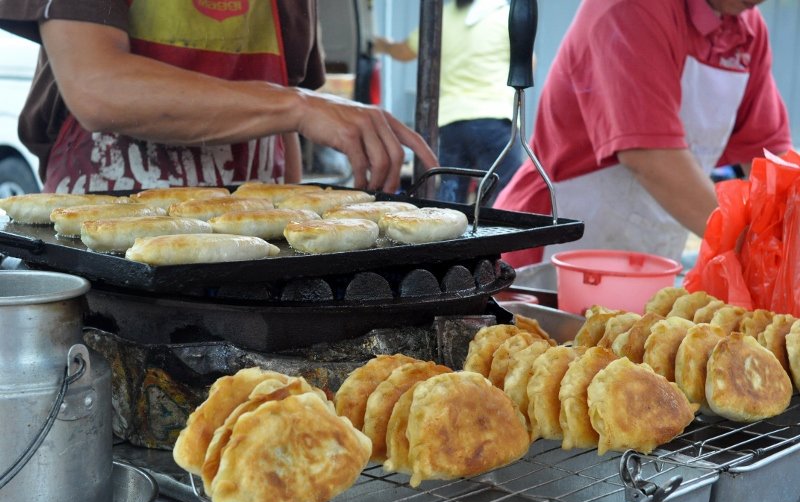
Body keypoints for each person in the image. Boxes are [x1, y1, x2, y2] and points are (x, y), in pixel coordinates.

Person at [0, 1, 438, 194]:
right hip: (111, 252)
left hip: (254, 253)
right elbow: (96, 88)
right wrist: (298, 106)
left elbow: (284, 126)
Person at [494, 0, 793, 268]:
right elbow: (650, 156)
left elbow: (771, 159)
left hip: (648, 261)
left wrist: (792, 231)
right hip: (551, 251)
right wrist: (753, 245)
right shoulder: (630, 7)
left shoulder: (748, 27)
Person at [374, 0, 522, 204]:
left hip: (452, 123)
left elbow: (404, 51)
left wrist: (383, 45)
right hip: (494, 121)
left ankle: (449, 233)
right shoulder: (505, 15)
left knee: (450, 200)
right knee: (506, 197)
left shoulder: (439, 19)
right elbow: (526, 62)